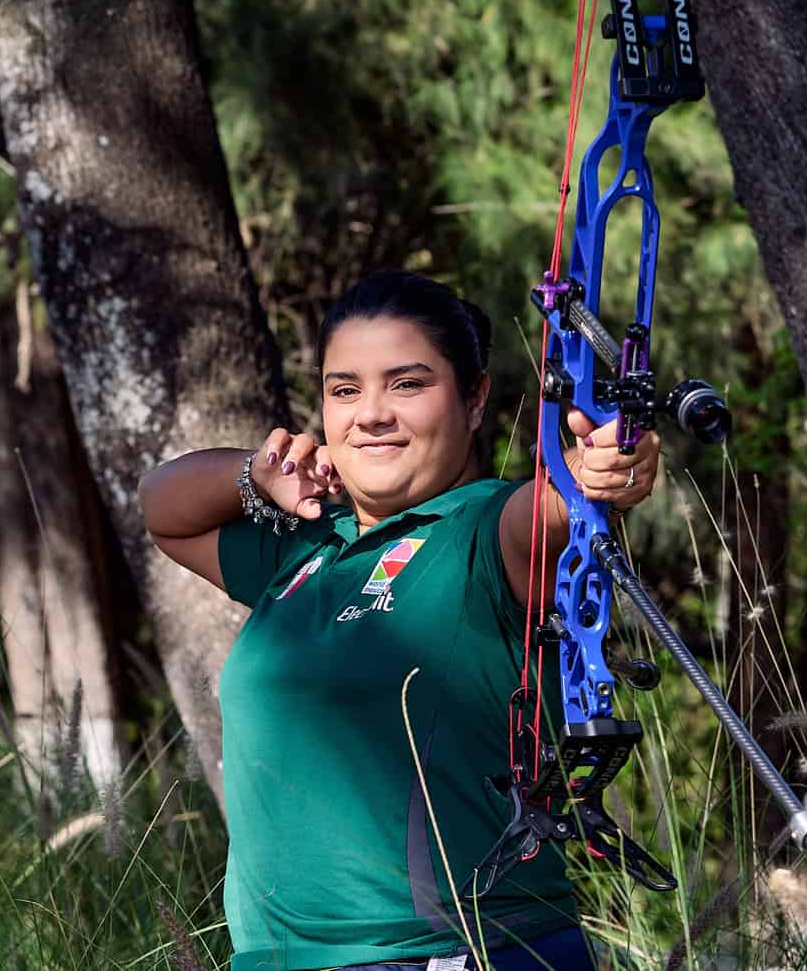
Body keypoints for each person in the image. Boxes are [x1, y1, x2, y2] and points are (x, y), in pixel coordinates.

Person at [138, 270, 662, 971]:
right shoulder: (307, 547)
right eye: (344, 390)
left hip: (459, 953)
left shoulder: (485, 530)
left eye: (407, 384)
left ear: (474, 398)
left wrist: (600, 469)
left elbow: (557, 506)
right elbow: (162, 508)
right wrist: (256, 472)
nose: (371, 414)